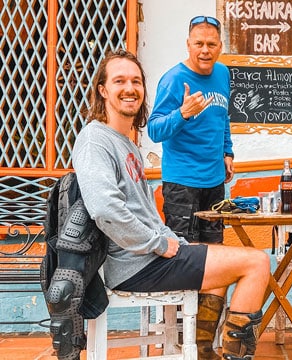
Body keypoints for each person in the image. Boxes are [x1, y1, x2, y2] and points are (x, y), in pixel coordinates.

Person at [72, 49, 269, 360]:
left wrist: (171, 240)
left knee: (222, 272)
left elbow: (146, 214)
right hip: (138, 265)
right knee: (256, 263)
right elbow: (105, 210)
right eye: (120, 80)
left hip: (149, 256)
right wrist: (158, 243)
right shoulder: (95, 140)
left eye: (136, 81)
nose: (130, 88)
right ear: (102, 90)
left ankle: (203, 351)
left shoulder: (126, 143)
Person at [147, 16, 234, 358]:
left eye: (211, 44)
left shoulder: (224, 74)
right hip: (181, 184)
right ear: (188, 44)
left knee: (215, 260)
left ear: (220, 47)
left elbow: (223, 116)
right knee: (184, 259)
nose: (205, 50)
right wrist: (182, 113)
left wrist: (227, 151)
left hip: (214, 184)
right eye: (199, 43)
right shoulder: (173, 79)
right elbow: (155, 130)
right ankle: (180, 340)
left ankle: (202, 344)